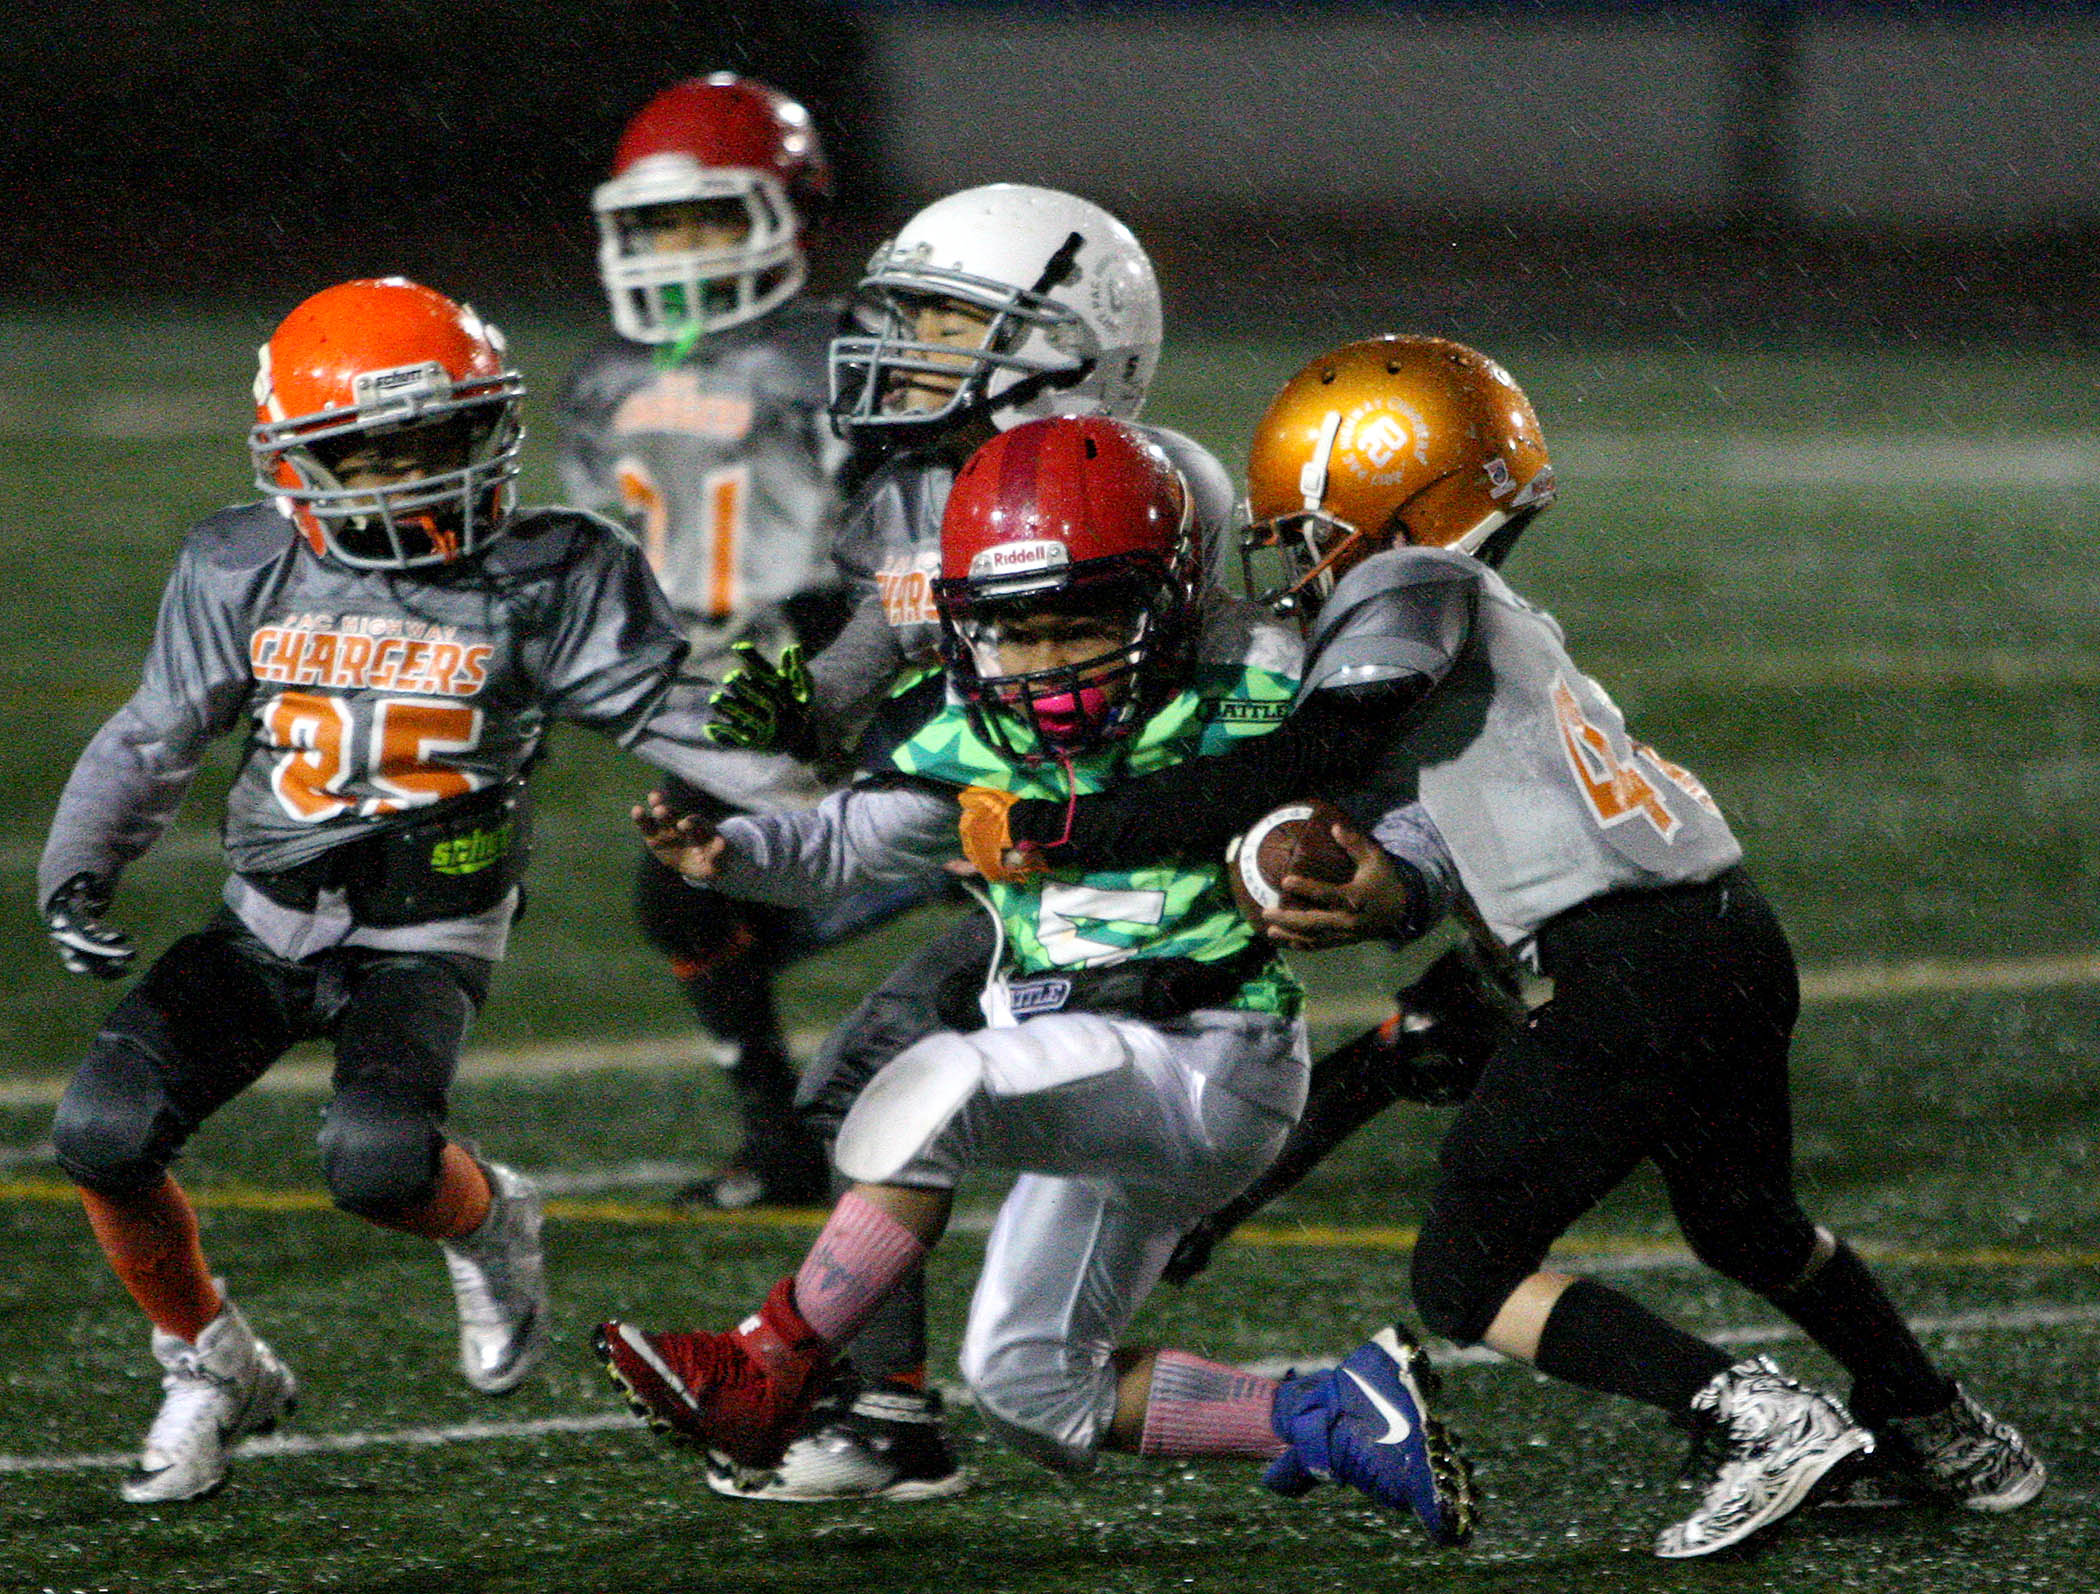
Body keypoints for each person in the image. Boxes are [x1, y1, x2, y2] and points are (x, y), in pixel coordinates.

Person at [957, 336, 2046, 1557]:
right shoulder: (1490, 622)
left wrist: (1067, 828)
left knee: (1465, 1278)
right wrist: (1393, 895)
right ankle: (1935, 1419)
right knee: (1745, 1219)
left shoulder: (1414, 580)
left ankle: (1751, 1416)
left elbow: (1315, 750)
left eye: (1312, 531)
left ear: (1401, 498)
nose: (1300, 565)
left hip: (1630, 962)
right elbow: (1446, 843)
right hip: (1724, 933)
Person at [596, 415, 1477, 1542]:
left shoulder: (1252, 693)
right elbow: (845, 844)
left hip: (1210, 1047)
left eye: (1083, 625)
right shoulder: (972, 729)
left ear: (1171, 601)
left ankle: (769, 1363)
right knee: (1030, 1384)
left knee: (931, 1087)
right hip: (1087, 1068)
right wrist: (731, 857)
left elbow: (1407, 803)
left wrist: (1392, 884)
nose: (1050, 661)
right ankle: (1336, 1415)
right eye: (1017, 633)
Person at [37, 276, 735, 1504]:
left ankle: (488, 1223)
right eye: (375, 451)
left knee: (376, 1163)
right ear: (298, 462)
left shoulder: (553, 570)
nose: (416, 475)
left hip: (432, 925)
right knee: (100, 1131)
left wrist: (823, 789)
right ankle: (210, 1363)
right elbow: (156, 737)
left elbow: (685, 719)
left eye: (442, 439)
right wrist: (79, 862)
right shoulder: (239, 562)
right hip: (265, 916)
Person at [691, 182, 1253, 1503]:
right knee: (862, 1096)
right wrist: (793, 715)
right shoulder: (925, 490)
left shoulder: (1162, 485)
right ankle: (881, 1401)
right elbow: (871, 658)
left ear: (1069, 341)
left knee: (877, 1092)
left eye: (950, 320)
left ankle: (875, 1405)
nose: (912, 347)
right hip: (1006, 866)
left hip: (1124, 889)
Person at [558, 73, 893, 1211]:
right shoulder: (604, 379)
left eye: (708, 217)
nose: (681, 250)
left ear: (787, 211)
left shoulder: (843, 354)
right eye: (658, 224)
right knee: (687, 901)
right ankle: (780, 1135)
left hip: (864, 665)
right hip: (721, 688)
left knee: (1003, 862)